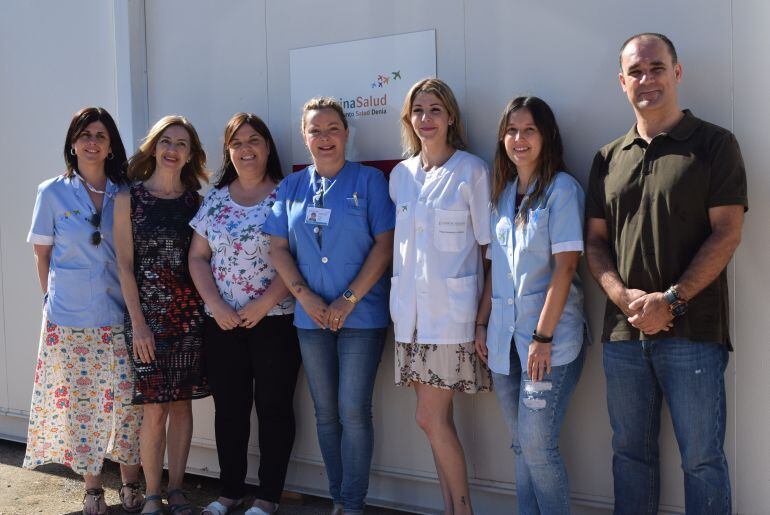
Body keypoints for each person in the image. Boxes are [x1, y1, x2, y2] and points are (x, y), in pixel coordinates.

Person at [585, 33, 747, 514]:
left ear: (677, 72)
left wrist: (670, 301)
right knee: (630, 457)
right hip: (623, 335)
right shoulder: (608, 157)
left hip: (694, 334)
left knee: (701, 460)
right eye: (635, 72)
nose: (646, 79)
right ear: (622, 82)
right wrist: (621, 297)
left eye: (656, 68)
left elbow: (727, 233)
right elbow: (595, 241)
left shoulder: (715, 144)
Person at [264, 97, 395, 515]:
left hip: (362, 316)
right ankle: (337, 497)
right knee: (325, 413)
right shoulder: (292, 186)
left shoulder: (370, 181)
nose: (324, 138)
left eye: (332, 129)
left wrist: (348, 298)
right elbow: (278, 247)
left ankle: (352, 503)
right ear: (305, 137)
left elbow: (385, 245)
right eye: (315, 130)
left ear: (346, 134)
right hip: (310, 318)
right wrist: (303, 295)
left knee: (353, 410)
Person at [23, 107, 144, 515]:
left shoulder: (125, 191)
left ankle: (131, 483)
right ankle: (93, 489)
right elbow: (42, 256)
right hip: (70, 319)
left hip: (119, 313)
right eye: (85, 134)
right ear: (73, 143)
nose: (92, 141)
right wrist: (51, 303)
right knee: (84, 407)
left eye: (101, 135)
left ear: (111, 147)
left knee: (128, 404)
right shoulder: (51, 192)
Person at [475, 96, 585, 515]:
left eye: (529, 130)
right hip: (505, 342)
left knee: (538, 449)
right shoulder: (502, 195)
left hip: (549, 346)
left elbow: (566, 268)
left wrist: (542, 337)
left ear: (547, 136)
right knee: (522, 447)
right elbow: (495, 270)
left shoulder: (562, 190)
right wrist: (482, 323)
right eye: (512, 130)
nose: (519, 139)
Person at [189, 113, 301, 515]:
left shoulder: (286, 194)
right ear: (228, 150)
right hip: (222, 325)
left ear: (267, 147)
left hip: (274, 322)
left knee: (274, 408)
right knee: (230, 410)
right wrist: (216, 305)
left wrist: (264, 302)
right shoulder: (215, 199)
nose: (245, 148)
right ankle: (229, 492)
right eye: (236, 142)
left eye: (253, 140)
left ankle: (268, 497)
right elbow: (198, 257)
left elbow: (296, 258)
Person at [389, 78, 491, 515]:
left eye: (434, 109)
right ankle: (452, 508)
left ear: (451, 116)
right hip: (409, 318)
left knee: (429, 419)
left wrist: (483, 318)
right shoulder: (402, 175)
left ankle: (463, 510)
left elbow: (490, 251)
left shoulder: (471, 170)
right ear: (408, 120)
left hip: (450, 318)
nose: (425, 119)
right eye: (417, 111)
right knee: (434, 422)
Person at [115, 115, 210, 515]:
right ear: (153, 147)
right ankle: (152, 494)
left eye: (182, 144)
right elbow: (123, 264)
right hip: (146, 320)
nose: (173, 150)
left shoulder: (197, 202)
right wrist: (138, 324)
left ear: (190, 155)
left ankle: (177, 489)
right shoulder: (128, 198)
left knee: (182, 405)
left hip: (189, 317)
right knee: (154, 407)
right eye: (166, 142)